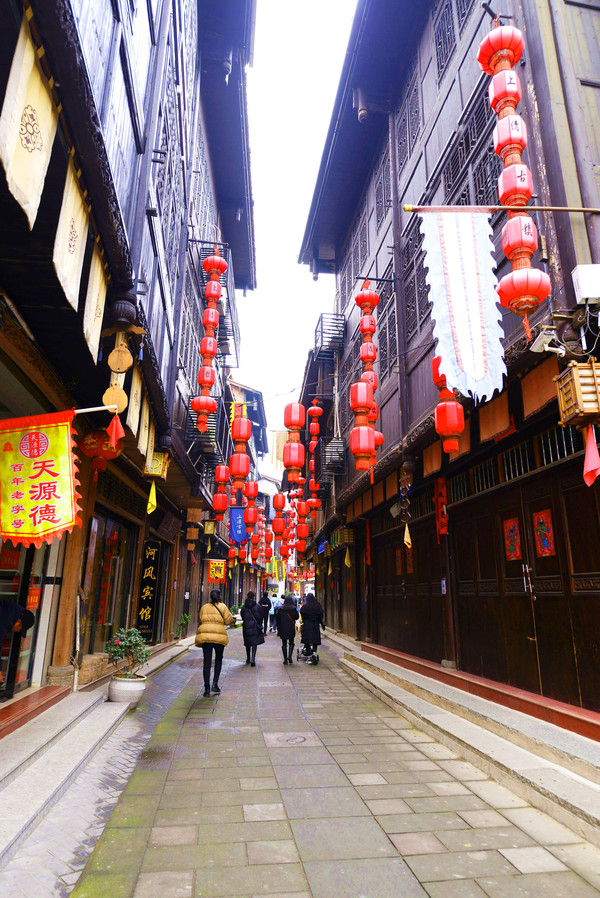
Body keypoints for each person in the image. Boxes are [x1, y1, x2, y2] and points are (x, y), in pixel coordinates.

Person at [195, 589, 233, 697]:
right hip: (219, 637)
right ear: (220, 596)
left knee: (207, 662)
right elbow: (228, 621)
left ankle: (206, 689)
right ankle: (215, 684)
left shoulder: (204, 607)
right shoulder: (223, 607)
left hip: (206, 637)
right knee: (218, 660)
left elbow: (200, 619)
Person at [0, 602, 35, 689]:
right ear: (18, 621)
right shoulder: (4, 622)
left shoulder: (9, 610)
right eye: (20, 628)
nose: (18, 630)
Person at [240, 591, 265, 666]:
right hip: (255, 626)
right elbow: (261, 616)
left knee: (247, 642)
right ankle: (253, 658)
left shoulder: (244, 607)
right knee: (254, 643)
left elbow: (242, 616)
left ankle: (248, 658)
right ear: (254, 596)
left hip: (246, 626)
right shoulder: (257, 606)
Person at [298, 592, 325, 663]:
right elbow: (321, 613)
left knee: (307, 639)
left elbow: (302, 613)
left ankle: (307, 650)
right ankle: (314, 652)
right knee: (315, 640)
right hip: (315, 624)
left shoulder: (305, 606)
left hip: (306, 625)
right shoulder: (317, 606)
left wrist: (304, 620)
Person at [275, 593, 299, 664]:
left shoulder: (281, 609)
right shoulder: (293, 609)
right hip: (291, 627)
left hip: (283, 627)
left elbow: (278, 619)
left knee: (284, 643)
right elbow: (296, 617)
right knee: (291, 641)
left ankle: (285, 659)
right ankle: (290, 657)